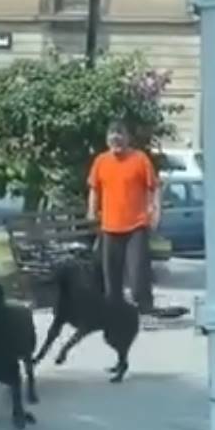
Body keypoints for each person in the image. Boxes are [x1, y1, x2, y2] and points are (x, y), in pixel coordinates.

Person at [86, 121, 160, 314]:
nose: (116, 139)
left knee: (137, 277)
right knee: (111, 277)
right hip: (110, 226)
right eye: (112, 135)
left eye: (120, 134)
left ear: (127, 138)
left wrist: (155, 210)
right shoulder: (101, 161)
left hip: (136, 226)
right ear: (107, 140)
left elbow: (154, 187)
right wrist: (92, 210)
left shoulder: (139, 159)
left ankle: (145, 306)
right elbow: (94, 188)